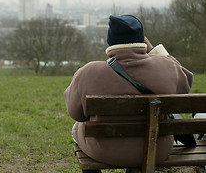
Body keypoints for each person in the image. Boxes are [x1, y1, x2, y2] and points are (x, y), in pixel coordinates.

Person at [64, 15, 193, 172]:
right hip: (157, 150)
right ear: (142, 41)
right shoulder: (167, 67)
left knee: (77, 128)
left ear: (110, 42)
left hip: (104, 151)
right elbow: (187, 81)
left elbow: (75, 113)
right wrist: (154, 50)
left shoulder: (89, 72)